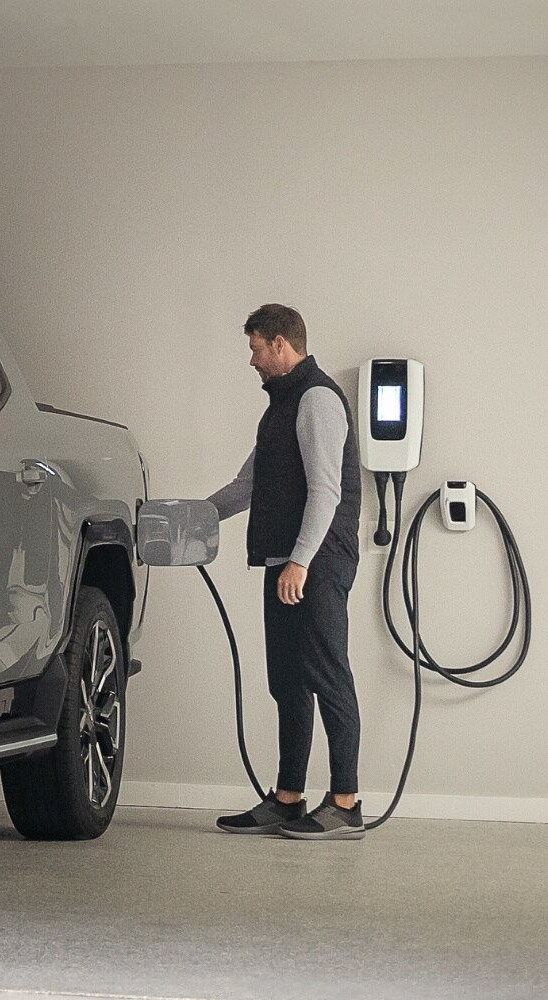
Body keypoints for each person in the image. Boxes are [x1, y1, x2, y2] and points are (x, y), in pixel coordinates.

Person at [209, 304, 366, 840]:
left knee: (328, 675)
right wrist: (187, 517)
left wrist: (300, 561)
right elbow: (244, 489)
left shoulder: (317, 400)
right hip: (287, 563)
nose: (251, 360)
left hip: (317, 562)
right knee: (288, 683)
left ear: (280, 344)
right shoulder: (280, 407)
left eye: (255, 348)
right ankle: (288, 798)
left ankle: (345, 801)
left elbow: (326, 491)